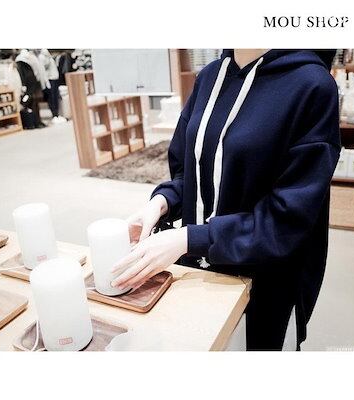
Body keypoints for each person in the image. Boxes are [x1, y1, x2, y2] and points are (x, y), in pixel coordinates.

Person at [111, 49, 341, 350]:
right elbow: (190, 170)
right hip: (197, 270)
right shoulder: (209, 76)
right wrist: (162, 202)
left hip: (265, 280)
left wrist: (188, 239)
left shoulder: (312, 84)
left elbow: (288, 218)